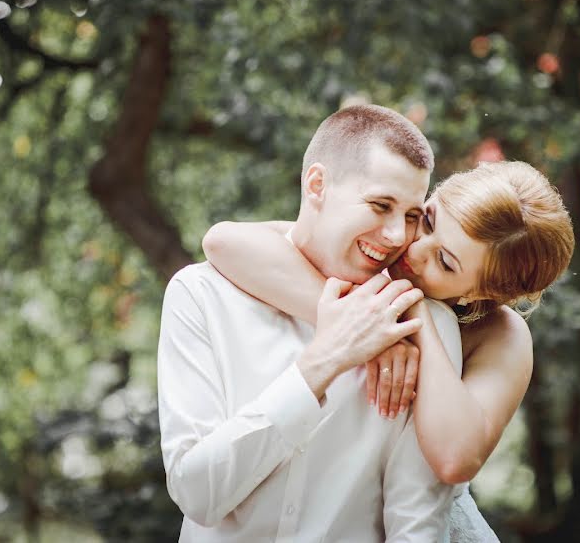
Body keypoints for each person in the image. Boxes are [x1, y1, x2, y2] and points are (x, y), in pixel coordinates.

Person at [202, 160, 575, 540]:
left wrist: (418, 321)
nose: (412, 251)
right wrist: (372, 332)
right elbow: (223, 241)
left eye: (444, 262)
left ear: (482, 293)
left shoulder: (501, 334)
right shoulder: (370, 252)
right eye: (427, 221)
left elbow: (455, 458)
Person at [158, 104, 464, 541]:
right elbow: (197, 493)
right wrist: (324, 361)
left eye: (412, 216)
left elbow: (416, 520)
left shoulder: (423, 326)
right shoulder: (202, 294)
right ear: (317, 184)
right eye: (380, 205)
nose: (398, 235)